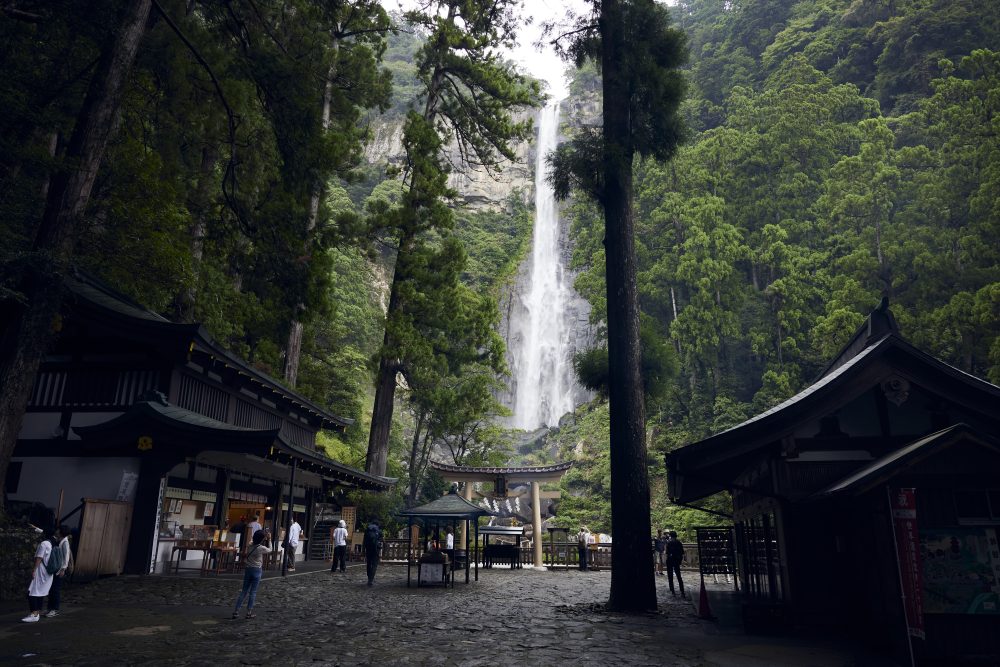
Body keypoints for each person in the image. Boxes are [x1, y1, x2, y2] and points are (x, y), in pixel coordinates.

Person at [233, 529, 271, 619]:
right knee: (253, 592)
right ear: (262, 539)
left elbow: (252, 540)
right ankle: (249, 612)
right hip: (257, 570)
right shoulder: (261, 548)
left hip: (248, 569)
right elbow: (270, 550)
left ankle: (236, 611)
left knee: (244, 591)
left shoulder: (250, 545)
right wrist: (269, 540)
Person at [23, 530, 56, 622]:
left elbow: (39, 558)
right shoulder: (53, 543)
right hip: (49, 573)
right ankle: (37, 612)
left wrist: (34, 570)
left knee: (32, 592)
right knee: (40, 592)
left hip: (41, 571)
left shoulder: (44, 544)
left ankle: (34, 614)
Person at [45, 525, 73, 617]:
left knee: (55, 590)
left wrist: (63, 569)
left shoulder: (64, 542)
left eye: (58, 530)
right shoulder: (60, 540)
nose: (56, 531)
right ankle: (50, 609)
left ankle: (54, 609)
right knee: (52, 589)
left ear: (60, 532)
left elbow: (66, 557)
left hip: (59, 570)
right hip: (56, 568)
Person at [665, 530, 686, 598]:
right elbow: (682, 552)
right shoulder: (679, 542)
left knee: (670, 576)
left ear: (670, 536)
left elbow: (667, 552)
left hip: (670, 560)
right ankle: (682, 591)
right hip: (676, 560)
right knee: (679, 576)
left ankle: (673, 591)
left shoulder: (669, 543)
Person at [363, 520, 383, 586]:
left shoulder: (367, 529)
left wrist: (363, 550)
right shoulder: (379, 530)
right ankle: (371, 579)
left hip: (368, 548)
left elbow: (364, 540)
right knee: (374, 564)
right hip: (375, 549)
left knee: (369, 563)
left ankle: (369, 577)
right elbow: (381, 539)